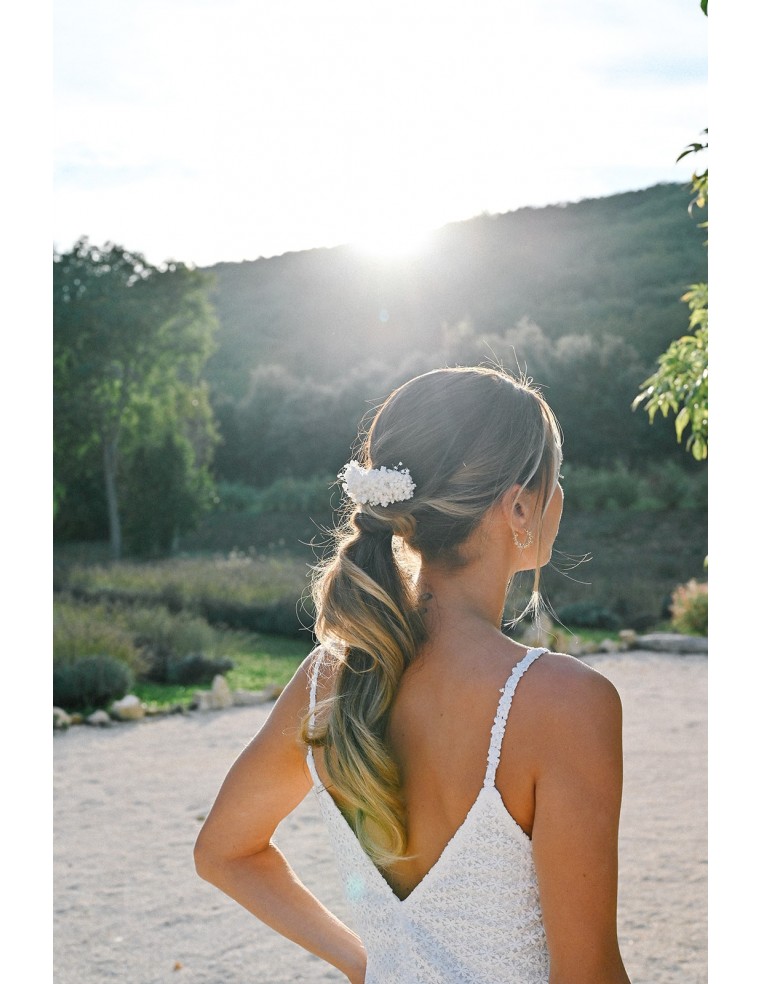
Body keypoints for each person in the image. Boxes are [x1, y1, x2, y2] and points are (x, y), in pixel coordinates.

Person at [194, 365, 631, 984]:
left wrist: (363, 962)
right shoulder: (565, 702)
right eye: (557, 482)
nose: (562, 500)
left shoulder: (327, 680)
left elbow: (223, 852)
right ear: (520, 505)